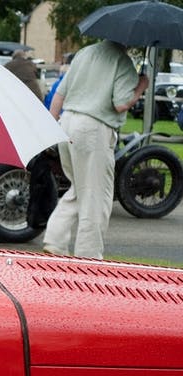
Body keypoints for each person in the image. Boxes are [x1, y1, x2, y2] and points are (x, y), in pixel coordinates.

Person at [42, 40, 149, 259]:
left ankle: (54, 241)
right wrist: (140, 87)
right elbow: (120, 103)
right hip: (94, 129)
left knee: (79, 188)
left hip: (67, 122)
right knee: (96, 195)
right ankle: (89, 257)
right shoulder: (123, 61)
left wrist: (51, 127)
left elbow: (60, 93)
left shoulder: (84, 53)